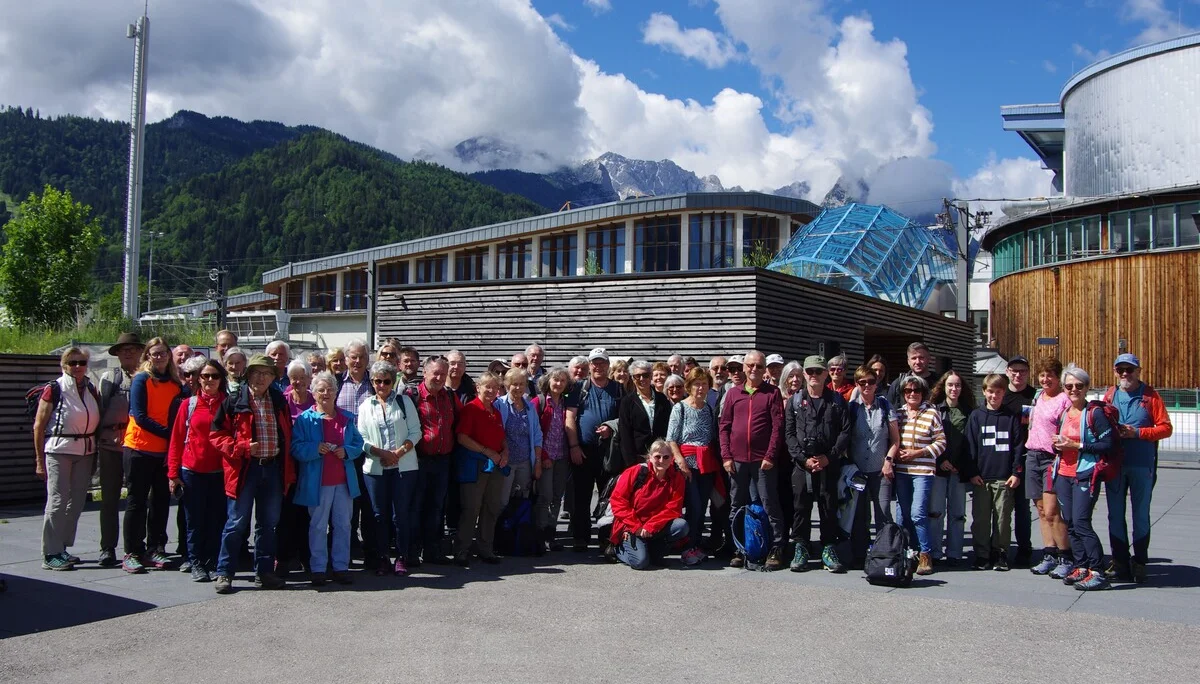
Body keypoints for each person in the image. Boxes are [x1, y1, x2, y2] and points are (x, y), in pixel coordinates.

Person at [210, 354, 296, 594]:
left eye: (266, 374)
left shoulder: (279, 400)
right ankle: (224, 572)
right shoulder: (234, 400)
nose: (261, 378)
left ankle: (264, 572)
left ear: (273, 378)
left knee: (268, 525)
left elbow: (287, 436)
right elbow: (216, 436)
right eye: (256, 373)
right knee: (236, 523)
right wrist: (241, 448)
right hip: (245, 469)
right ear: (248, 375)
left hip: (272, 468)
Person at [1105, 353, 1173, 584]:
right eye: (1120, 369)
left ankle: (1140, 561)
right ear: (1115, 371)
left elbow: (1165, 428)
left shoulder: (1150, 396)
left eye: (1129, 369)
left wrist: (1138, 433)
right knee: (1115, 513)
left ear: (1138, 371)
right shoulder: (1110, 395)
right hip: (1115, 464)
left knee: (1140, 514)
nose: (1125, 374)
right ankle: (1120, 560)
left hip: (1142, 464)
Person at [293, 371, 365, 586]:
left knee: (343, 524)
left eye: (330, 389)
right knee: (317, 526)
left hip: (343, 481)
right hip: (318, 483)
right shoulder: (305, 419)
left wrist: (348, 451)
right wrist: (315, 448)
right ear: (313, 393)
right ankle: (318, 568)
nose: (326, 393)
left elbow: (358, 443)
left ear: (336, 392)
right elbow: (296, 447)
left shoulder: (346, 418)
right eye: (321, 390)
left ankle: (341, 566)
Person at [33, 347, 100, 571]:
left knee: (77, 502)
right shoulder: (55, 388)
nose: (78, 367)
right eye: (73, 363)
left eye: (81, 362)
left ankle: (60, 547)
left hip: (85, 450)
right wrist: (39, 460)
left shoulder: (90, 388)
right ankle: (50, 553)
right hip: (59, 449)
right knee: (57, 502)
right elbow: (39, 426)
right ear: (64, 365)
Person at [720, 350, 786, 570]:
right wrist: (726, 456)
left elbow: (777, 427)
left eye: (759, 366)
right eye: (750, 365)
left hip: (762, 461)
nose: (754, 370)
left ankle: (775, 546)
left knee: (769, 503)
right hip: (737, 460)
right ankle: (738, 546)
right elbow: (724, 426)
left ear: (764, 367)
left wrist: (770, 455)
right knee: (736, 505)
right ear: (744, 368)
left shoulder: (772, 393)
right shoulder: (733, 394)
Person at [121, 337, 183, 574]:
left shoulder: (175, 385)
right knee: (136, 501)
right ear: (147, 356)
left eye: (163, 353)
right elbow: (140, 415)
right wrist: (171, 434)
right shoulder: (141, 380)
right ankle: (132, 552)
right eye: (154, 354)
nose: (159, 357)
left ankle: (155, 548)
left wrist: (172, 439)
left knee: (160, 501)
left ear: (169, 356)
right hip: (139, 449)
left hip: (163, 454)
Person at [785, 355, 852, 573]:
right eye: (810, 372)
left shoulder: (837, 400)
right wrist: (803, 459)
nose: (814, 376)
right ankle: (801, 547)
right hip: (802, 464)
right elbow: (789, 434)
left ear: (826, 374)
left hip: (828, 463)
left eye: (818, 372)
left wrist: (829, 457)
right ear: (804, 374)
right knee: (800, 508)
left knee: (828, 506)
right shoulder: (795, 401)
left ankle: (828, 547)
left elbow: (845, 432)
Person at [1053, 365, 1115, 591]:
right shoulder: (1065, 413)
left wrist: (1076, 445)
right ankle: (1081, 565)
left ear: (1087, 387)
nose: (1073, 390)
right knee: (1069, 522)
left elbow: (1107, 445)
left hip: (1085, 474)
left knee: (1081, 522)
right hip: (1063, 473)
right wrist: (1058, 445)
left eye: (1079, 386)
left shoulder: (1094, 413)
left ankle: (1098, 571)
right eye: (1069, 386)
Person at [356, 361, 421, 577]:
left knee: (400, 515)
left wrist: (397, 454)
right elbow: (361, 438)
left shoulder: (404, 402)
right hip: (376, 468)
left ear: (393, 382)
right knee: (379, 515)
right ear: (372, 382)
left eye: (386, 381)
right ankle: (382, 557)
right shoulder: (365, 406)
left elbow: (416, 432)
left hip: (404, 467)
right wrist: (381, 453)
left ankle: (402, 557)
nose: (381, 385)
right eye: (377, 381)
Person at [167, 359, 228, 582]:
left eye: (214, 376)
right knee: (194, 521)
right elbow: (176, 440)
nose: (209, 380)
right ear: (198, 379)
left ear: (221, 380)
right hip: (192, 471)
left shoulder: (228, 403)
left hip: (220, 472)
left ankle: (212, 561)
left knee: (217, 520)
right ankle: (196, 562)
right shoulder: (189, 405)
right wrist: (173, 474)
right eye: (205, 376)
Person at [962, 374, 1024, 571]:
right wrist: (971, 472)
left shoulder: (1010, 417)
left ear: (1004, 392)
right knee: (980, 519)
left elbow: (1018, 448)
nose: (994, 395)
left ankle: (1000, 553)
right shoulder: (976, 416)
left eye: (998, 392)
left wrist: (1016, 472)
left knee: (1002, 519)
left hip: (1004, 478)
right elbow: (969, 447)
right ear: (984, 392)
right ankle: (981, 554)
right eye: (990, 391)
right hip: (981, 477)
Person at [567, 348, 623, 552]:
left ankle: (605, 537)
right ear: (589, 365)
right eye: (594, 363)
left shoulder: (618, 389)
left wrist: (610, 426)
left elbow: (623, 418)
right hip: (582, 449)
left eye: (602, 363)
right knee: (581, 496)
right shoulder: (578, 388)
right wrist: (573, 446)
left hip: (608, 451)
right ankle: (581, 537)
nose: (598, 366)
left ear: (608, 366)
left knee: (608, 497)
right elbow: (569, 418)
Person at [96, 332, 144, 567]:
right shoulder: (109, 377)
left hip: (138, 446)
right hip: (111, 445)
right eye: (124, 348)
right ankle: (107, 547)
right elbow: (99, 410)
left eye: (133, 348)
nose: (129, 352)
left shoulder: (146, 377)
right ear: (117, 352)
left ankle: (134, 547)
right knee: (110, 499)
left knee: (137, 499)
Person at [891, 373, 946, 575]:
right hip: (902, 471)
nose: (912, 394)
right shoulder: (898, 413)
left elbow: (941, 443)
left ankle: (925, 554)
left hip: (922, 471)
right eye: (908, 391)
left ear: (923, 393)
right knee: (902, 515)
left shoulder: (932, 413)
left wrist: (919, 452)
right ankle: (906, 553)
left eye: (916, 390)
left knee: (917, 514)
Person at [408, 356, 460, 564]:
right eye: (435, 373)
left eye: (442, 374)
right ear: (425, 372)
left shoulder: (448, 395)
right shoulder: (412, 396)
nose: (439, 377)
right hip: (419, 460)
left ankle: (432, 550)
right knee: (416, 507)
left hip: (443, 461)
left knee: (437, 507)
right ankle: (412, 551)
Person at [454, 372, 509, 566]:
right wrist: (488, 452)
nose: (491, 391)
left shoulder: (496, 411)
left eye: (495, 387)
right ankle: (462, 550)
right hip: (474, 465)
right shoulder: (471, 409)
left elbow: (502, 436)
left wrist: (505, 452)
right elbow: (462, 437)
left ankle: (485, 548)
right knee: (471, 509)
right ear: (478, 387)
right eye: (487, 386)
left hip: (495, 465)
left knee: (491, 508)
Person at [1024, 358, 1073, 577]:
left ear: (1058, 377)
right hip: (1033, 455)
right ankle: (1049, 554)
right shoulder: (1038, 397)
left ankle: (1066, 556)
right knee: (1042, 511)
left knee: (1053, 511)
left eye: (1050, 375)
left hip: (1052, 458)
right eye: (1042, 375)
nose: (1045, 379)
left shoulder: (1064, 400)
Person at [610, 440, 692, 570]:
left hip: (654, 526)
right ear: (650, 457)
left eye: (666, 457)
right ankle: (618, 549)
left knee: (681, 526)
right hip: (630, 525)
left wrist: (650, 526)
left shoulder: (676, 477)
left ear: (672, 458)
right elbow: (618, 501)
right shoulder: (635, 472)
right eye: (657, 456)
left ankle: (654, 552)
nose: (661, 460)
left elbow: (673, 508)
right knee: (640, 563)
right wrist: (636, 526)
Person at [847, 364, 898, 569]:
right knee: (860, 516)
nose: (867, 386)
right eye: (862, 382)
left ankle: (884, 554)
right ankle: (861, 556)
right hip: (858, 470)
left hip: (880, 469)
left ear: (876, 383)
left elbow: (895, 440)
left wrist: (888, 461)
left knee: (883, 512)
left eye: (871, 381)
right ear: (857, 384)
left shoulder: (885, 406)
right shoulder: (852, 408)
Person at [666, 368, 718, 566]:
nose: (700, 387)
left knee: (702, 506)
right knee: (694, 507)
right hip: (687, 464)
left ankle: (695, 545)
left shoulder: (708, 409)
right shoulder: (680, 408)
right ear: (688, 386)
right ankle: (687, 547)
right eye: (696, 383)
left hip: (706, 464)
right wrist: (680, 462)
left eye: (704, 383)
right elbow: (671, 439)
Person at [929, 370, 975, 566]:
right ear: (944, 387)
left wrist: (960, 465)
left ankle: (955, 553)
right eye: (950, 385)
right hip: (938, 468)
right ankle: (935, 552)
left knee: (957, 514)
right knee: (936, 512)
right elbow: (928, 438)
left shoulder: (969, 412)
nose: (954, 389)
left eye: (957, 385)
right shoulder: (934, 410)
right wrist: (941, 461)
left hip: (959, 470)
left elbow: (971, 443)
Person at [337, 340, 376, 564]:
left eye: (362, 357)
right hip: (343, 454)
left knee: (369, 504)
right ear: (346, 359)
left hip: (370, 452)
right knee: (346, 505)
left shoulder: (375, 383)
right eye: (353, 357)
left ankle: (370, 552)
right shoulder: (336, 382)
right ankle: (347, 550)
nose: (358, 361)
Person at [1000, 355, 1037, 566]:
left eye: (1022, 371)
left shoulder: (1035, 396)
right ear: (1007, 372)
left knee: (1023, 508)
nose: (1018, 375)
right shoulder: (1001, 396)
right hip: (1002, 457)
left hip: (1026, 457)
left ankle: (1025, 549)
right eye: (1014, 370)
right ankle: (1000, 548)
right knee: (1001, 508)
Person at [532, 368, 573, 551]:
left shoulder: (566, 404)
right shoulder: (538, 402)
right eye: (556, 380)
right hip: (545, 457)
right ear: (548, 381)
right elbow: (534, 431)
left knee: (557, 497)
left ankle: (551, 534)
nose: (558, 384)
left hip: (562, 456)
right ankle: (539, 535)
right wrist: (543, 457)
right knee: (545, 496)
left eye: (562, 381)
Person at [496, 367, 544, 511]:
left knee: (522, 499)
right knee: (502, 501)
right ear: (507, 385)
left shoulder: (529, 407)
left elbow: (537, 435)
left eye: (521, 384)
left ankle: (517, 531)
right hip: (505, 463)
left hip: (525, 462)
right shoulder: (498, 405)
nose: (518, 387)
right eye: (514, 384)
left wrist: (537, 462)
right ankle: (500, 531)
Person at [618, 361, 672, 472]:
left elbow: (669, 427)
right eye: (638, 376)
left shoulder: (662, 399)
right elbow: (625, 433)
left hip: (661, 456)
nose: (642, 379)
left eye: (646, 375)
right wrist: (630, 463)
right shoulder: (627, 402)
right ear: (633, 378)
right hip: (638, 456)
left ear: (651, 376)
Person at [886, 343, 936, 407]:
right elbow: (889, 410)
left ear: (929, 359)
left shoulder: (939, 383)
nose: (917, 362)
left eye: (921, 358)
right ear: (908, 361)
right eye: (914, 358)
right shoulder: (898, 384)